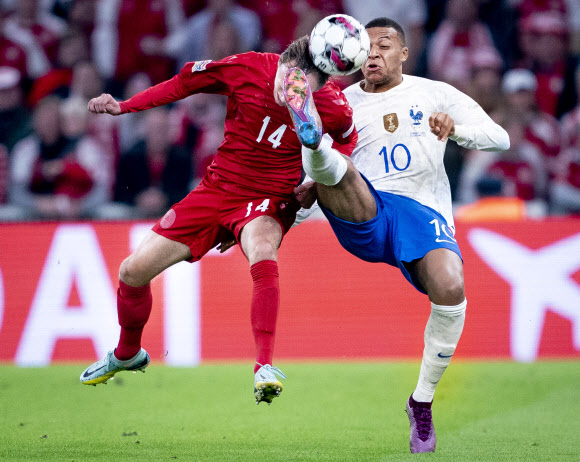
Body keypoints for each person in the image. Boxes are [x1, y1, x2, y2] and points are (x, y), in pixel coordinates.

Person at [79, 37, 358, 406]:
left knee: (261, 249)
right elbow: (184, 82)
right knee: (132, 271)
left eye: (300, 94)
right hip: (217, 189)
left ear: (318, 86)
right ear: (280, 64)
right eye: (286, 84)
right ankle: (127, 353)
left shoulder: (334, 105)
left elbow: (348, 142)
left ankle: (264, 367)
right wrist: (125, 106)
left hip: (270, 197)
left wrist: (316, 184)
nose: (288, 95)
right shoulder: (248, 67)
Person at [286, 17, 509, 453]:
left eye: (384, 45)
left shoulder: (433, 93)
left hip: (422, 210)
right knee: (330, 160)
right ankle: (313, 147)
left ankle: (421, 403)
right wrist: (287, 217)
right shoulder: (340, 100)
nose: (373, 53)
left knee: (451, 286)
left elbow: (498, 137)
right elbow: (302, 186)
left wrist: (455, 130)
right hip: (366, 208)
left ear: (403, 53)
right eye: (365, 47)